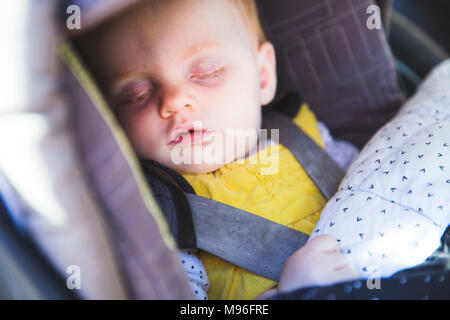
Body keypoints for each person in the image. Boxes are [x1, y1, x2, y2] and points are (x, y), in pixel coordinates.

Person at [75, 0, 361, 299]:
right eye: (137, 95)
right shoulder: (161, 220)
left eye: (207, 72)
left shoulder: (307, 133)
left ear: (262, 76)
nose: (174, 100)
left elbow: (377, 187)